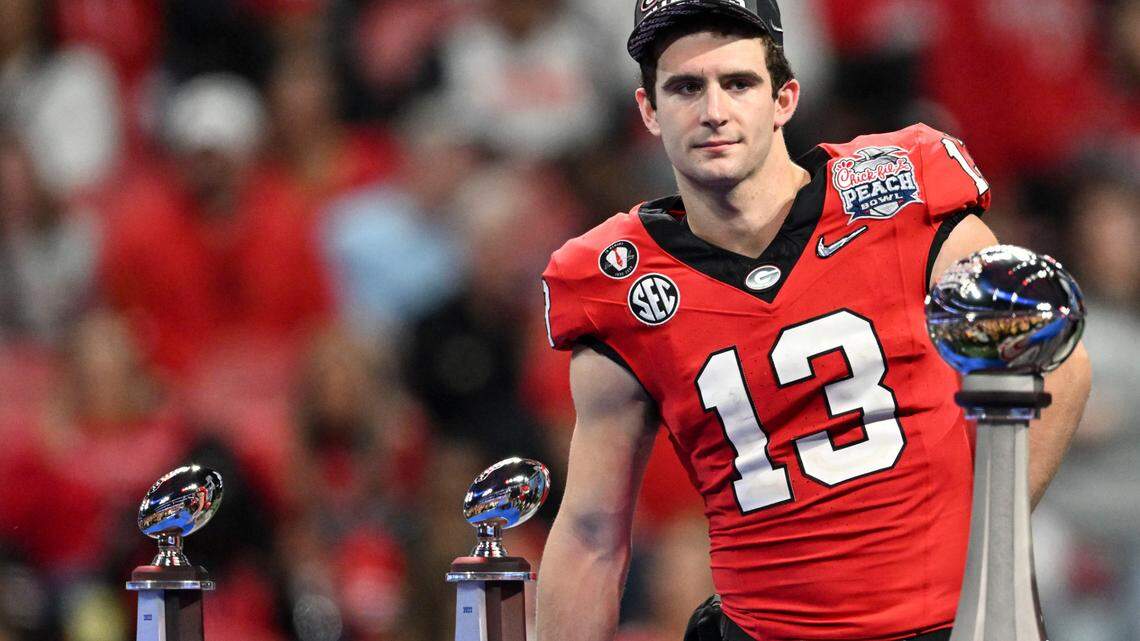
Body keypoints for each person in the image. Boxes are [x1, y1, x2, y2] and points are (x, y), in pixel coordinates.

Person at [534, 2, 1092, 641]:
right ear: (649, 110)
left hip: (948, 623)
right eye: (685, 87)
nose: (713, 110)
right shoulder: (614, 284)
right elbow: (592, 533)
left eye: (738, 83)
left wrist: (986, 547)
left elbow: (1055, 365)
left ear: (784, 99)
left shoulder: (897, 192)